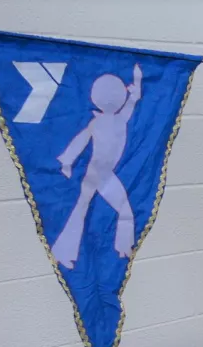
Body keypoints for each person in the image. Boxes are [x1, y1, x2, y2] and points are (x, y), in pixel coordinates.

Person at [51, 64, 142, 269]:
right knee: (104, 209)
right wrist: (66, 161)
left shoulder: (113, 120)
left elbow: (79, 142)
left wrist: (137, 82)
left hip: (103, 174)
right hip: (98, 173)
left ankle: (123, 250)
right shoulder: (111, 120)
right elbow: (81, 141)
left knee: (95, 209)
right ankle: (119, 249)